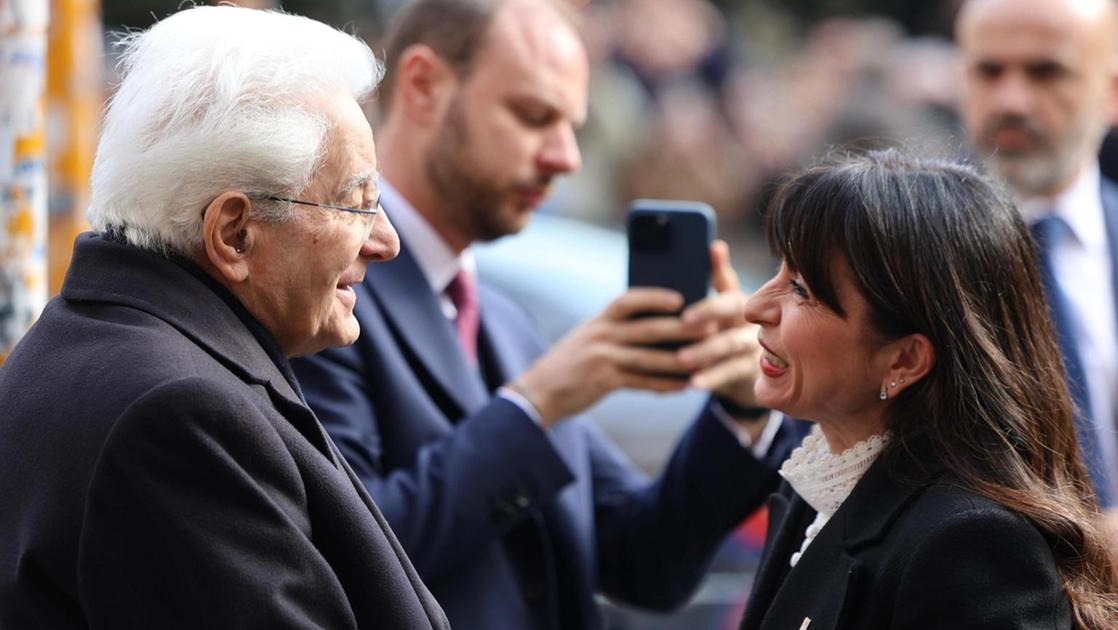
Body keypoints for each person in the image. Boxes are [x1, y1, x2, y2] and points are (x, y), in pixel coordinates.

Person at [290, 0, 799, 626]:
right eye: (534, 116)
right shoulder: (321, 296)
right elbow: (348, 555)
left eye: (573, 128)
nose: (566, 157)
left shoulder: (503, 322)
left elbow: (645, 561)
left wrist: (741, 411)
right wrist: (538, 403)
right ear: (424, 84)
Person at [0, 7, 449, 629]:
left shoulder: (110, 349)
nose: (385, 241)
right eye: (356, 204)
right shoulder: (177, 413)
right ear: (234, 234)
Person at [737, 149, 1118, 629]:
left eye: (802, 290)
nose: (755, 306)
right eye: (779, 271)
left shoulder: (970, 545)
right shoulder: (825, 483)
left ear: (905, 359)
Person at [956, 0, 1118, 523]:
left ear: (1111, 89)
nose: (1011, 99)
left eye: (1047, 71)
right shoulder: (896, 258)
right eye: (989, 70)